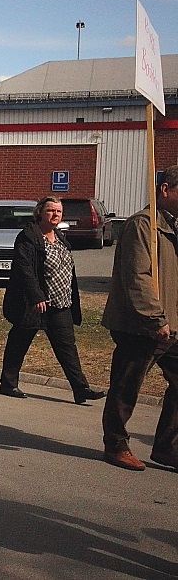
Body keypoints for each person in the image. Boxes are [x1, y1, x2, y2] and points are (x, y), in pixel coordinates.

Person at [101, 165, 178, 471]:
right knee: (127, 386)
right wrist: (155, 318)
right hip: (140, 324)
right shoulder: (142, 225)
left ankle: (167, 447)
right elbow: (138, 277)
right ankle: (116, 444)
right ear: (165, 190)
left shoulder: (172, 227)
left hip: (172, 321)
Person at [0, 196, 104, 404]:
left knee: (67, 348)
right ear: (40, 212)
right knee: (19, 342)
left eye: (58, 211)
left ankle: (80, 388)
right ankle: (8, 383)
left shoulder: (61, 237)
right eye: (50, 211)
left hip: (61, 303)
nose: (55, 215)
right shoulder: (28, 237)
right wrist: (36, 296)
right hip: (34, 304)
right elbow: (25, 269)